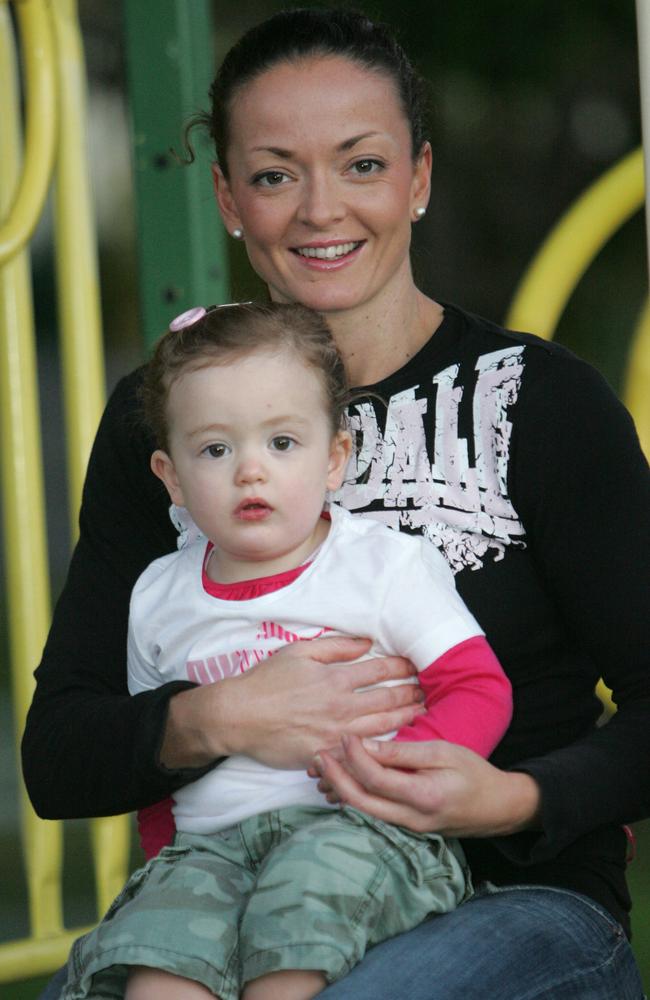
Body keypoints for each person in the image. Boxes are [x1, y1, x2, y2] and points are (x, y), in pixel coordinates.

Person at [23, 7, 649, 1000]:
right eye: (275, 174)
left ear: (419, 180)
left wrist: (515, 797)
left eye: (360, 164)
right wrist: (219, 716)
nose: (321, 210)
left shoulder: (543, 402)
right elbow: (60, 758)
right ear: (228, 198)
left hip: (515, 902)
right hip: (230, 890)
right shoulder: (166, 425)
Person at [62, 300, 511, 1000]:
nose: (250, 472)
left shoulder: (382, 567)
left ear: (335, 458)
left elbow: (478, 687)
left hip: (356, 829)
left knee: (291, 947)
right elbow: (153, 766)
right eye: (216, 450)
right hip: (209, 850)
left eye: (282, 443)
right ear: (171, 476)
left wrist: (399, 770)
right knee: (157, 969)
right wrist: (165, 865)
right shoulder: (158, 595)